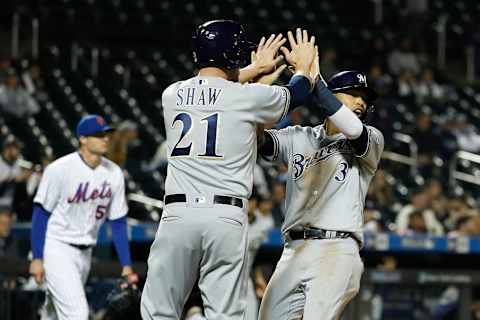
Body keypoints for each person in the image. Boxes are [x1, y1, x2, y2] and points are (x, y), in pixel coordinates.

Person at [140, 21, 317, 320]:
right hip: (225, 217)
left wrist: (255, 70)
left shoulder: (171, 95)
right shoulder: (246, 98)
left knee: (159, 311)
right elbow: (296, 93)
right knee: (225, 314)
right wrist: (303, 69)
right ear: (233, 57)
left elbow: (215, 89)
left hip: (177, 215)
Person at [257, 67, 384, 319]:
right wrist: (260, 93)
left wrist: (315, 82)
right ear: (332, 96)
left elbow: (353, 130)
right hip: (293, 249)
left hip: (336, 247)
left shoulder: (371, 138)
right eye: (352, 93)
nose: (360, 101)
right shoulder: (299, 137)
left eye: (364, 98)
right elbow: (257, 140)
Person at [29, 114, 138, 320]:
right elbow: (41, 214)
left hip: (86, 252)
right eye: (98, 135)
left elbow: (118, 222)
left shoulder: (114, 173)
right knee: (77, 314)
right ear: (83, 139)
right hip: (57, 247)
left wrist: (126, 264)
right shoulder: (59, 169)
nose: (105, 138)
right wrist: (37, 257)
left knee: (53, 315)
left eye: (106, 134)